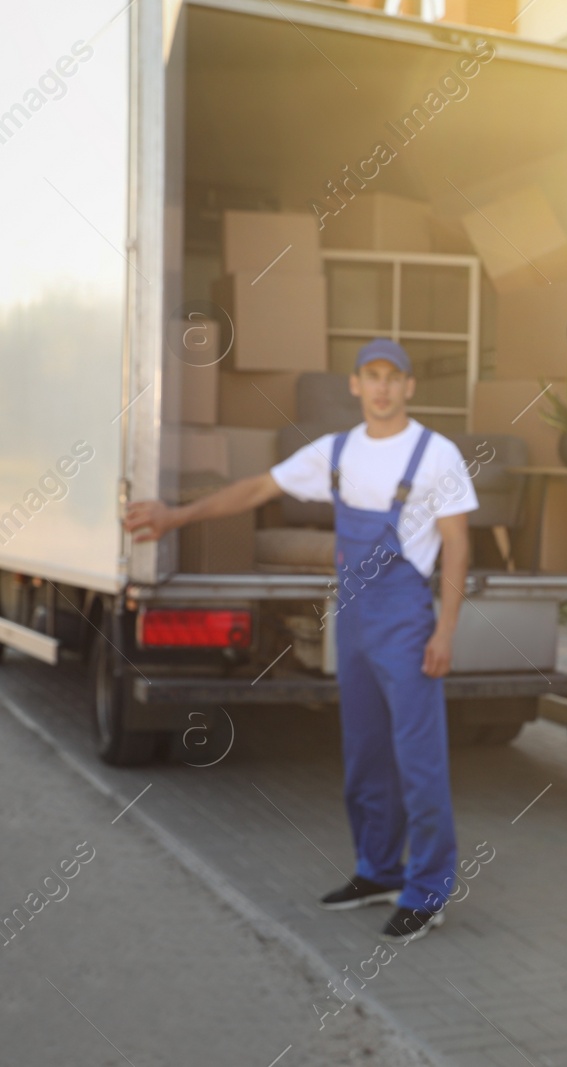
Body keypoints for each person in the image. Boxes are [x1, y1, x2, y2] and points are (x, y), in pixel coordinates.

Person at [125, 338, 478, 943]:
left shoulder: (435, 454)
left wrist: (445, 631)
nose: (383, 388)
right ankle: (378, 871)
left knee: (419, 761)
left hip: (406, 621)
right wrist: (176, 516)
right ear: (355, 384)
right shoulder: (335, 451)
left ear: (409, 387)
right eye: (373, 376)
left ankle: (428, 893)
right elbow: (257, 490)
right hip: (355, 618)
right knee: (365, 753)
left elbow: (458, 546)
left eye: (394, 378)